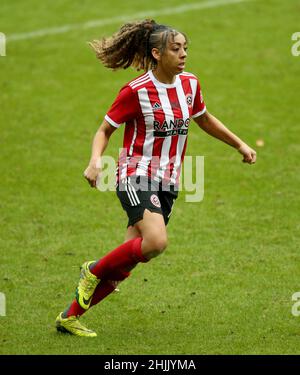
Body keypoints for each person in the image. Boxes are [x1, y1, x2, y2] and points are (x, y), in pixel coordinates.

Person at [55, 19, 256, 337]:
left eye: (185, 48)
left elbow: (204, 119)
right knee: (157, 241)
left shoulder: (190, 84)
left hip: (169, 182)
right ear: (157, 53)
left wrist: (240, 144)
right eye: (176, 48)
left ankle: (69, 316)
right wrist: (96, 161)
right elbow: (105, 129)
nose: (183, 54)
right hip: (135, 175)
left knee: (124, 266)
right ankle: (91, 269)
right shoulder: (136, 91)